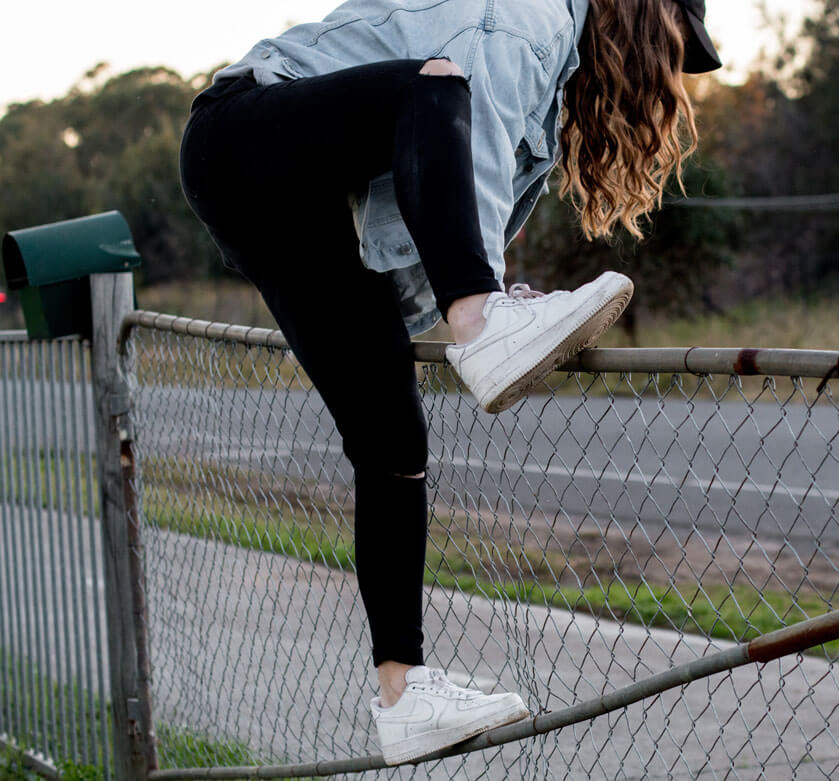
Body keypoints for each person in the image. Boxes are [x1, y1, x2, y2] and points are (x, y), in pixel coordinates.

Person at [178, 0, 721, 765]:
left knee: (392, 436)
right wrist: (482, 300)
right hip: (245, 131)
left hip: (294, 200)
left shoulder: (551, 63)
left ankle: (404, 696)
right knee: (433, 86)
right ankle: (481, 319)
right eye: (669, 39)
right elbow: (456, 115)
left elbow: (440, 180)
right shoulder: (526, 15)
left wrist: (474, 286)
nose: (663, 66)